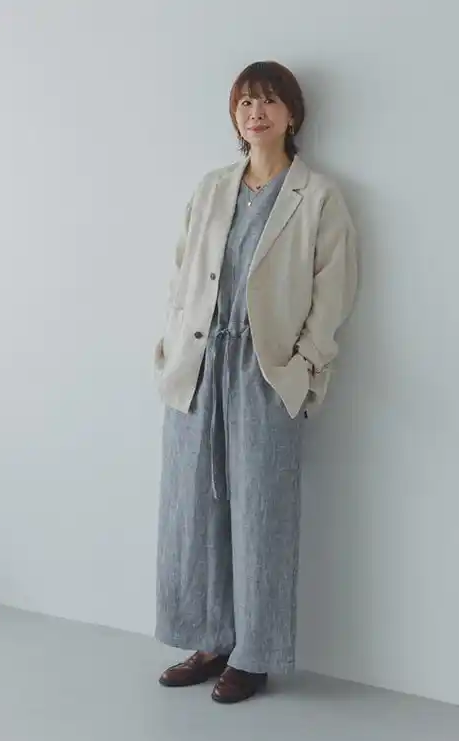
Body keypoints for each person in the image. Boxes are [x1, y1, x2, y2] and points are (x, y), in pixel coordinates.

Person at [153, 60, 357, 704]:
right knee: (193, 507)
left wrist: (304, 367)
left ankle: (255, 653)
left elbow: (334, 292)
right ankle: (209, 639)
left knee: (263, 511)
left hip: (265, 370)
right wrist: (168, 349)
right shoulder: (212, 188)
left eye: (269, 101)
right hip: (198, 367)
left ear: (292, 114)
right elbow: (183, 272)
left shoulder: (317, 196)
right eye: (245, 103)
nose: (256, 113)